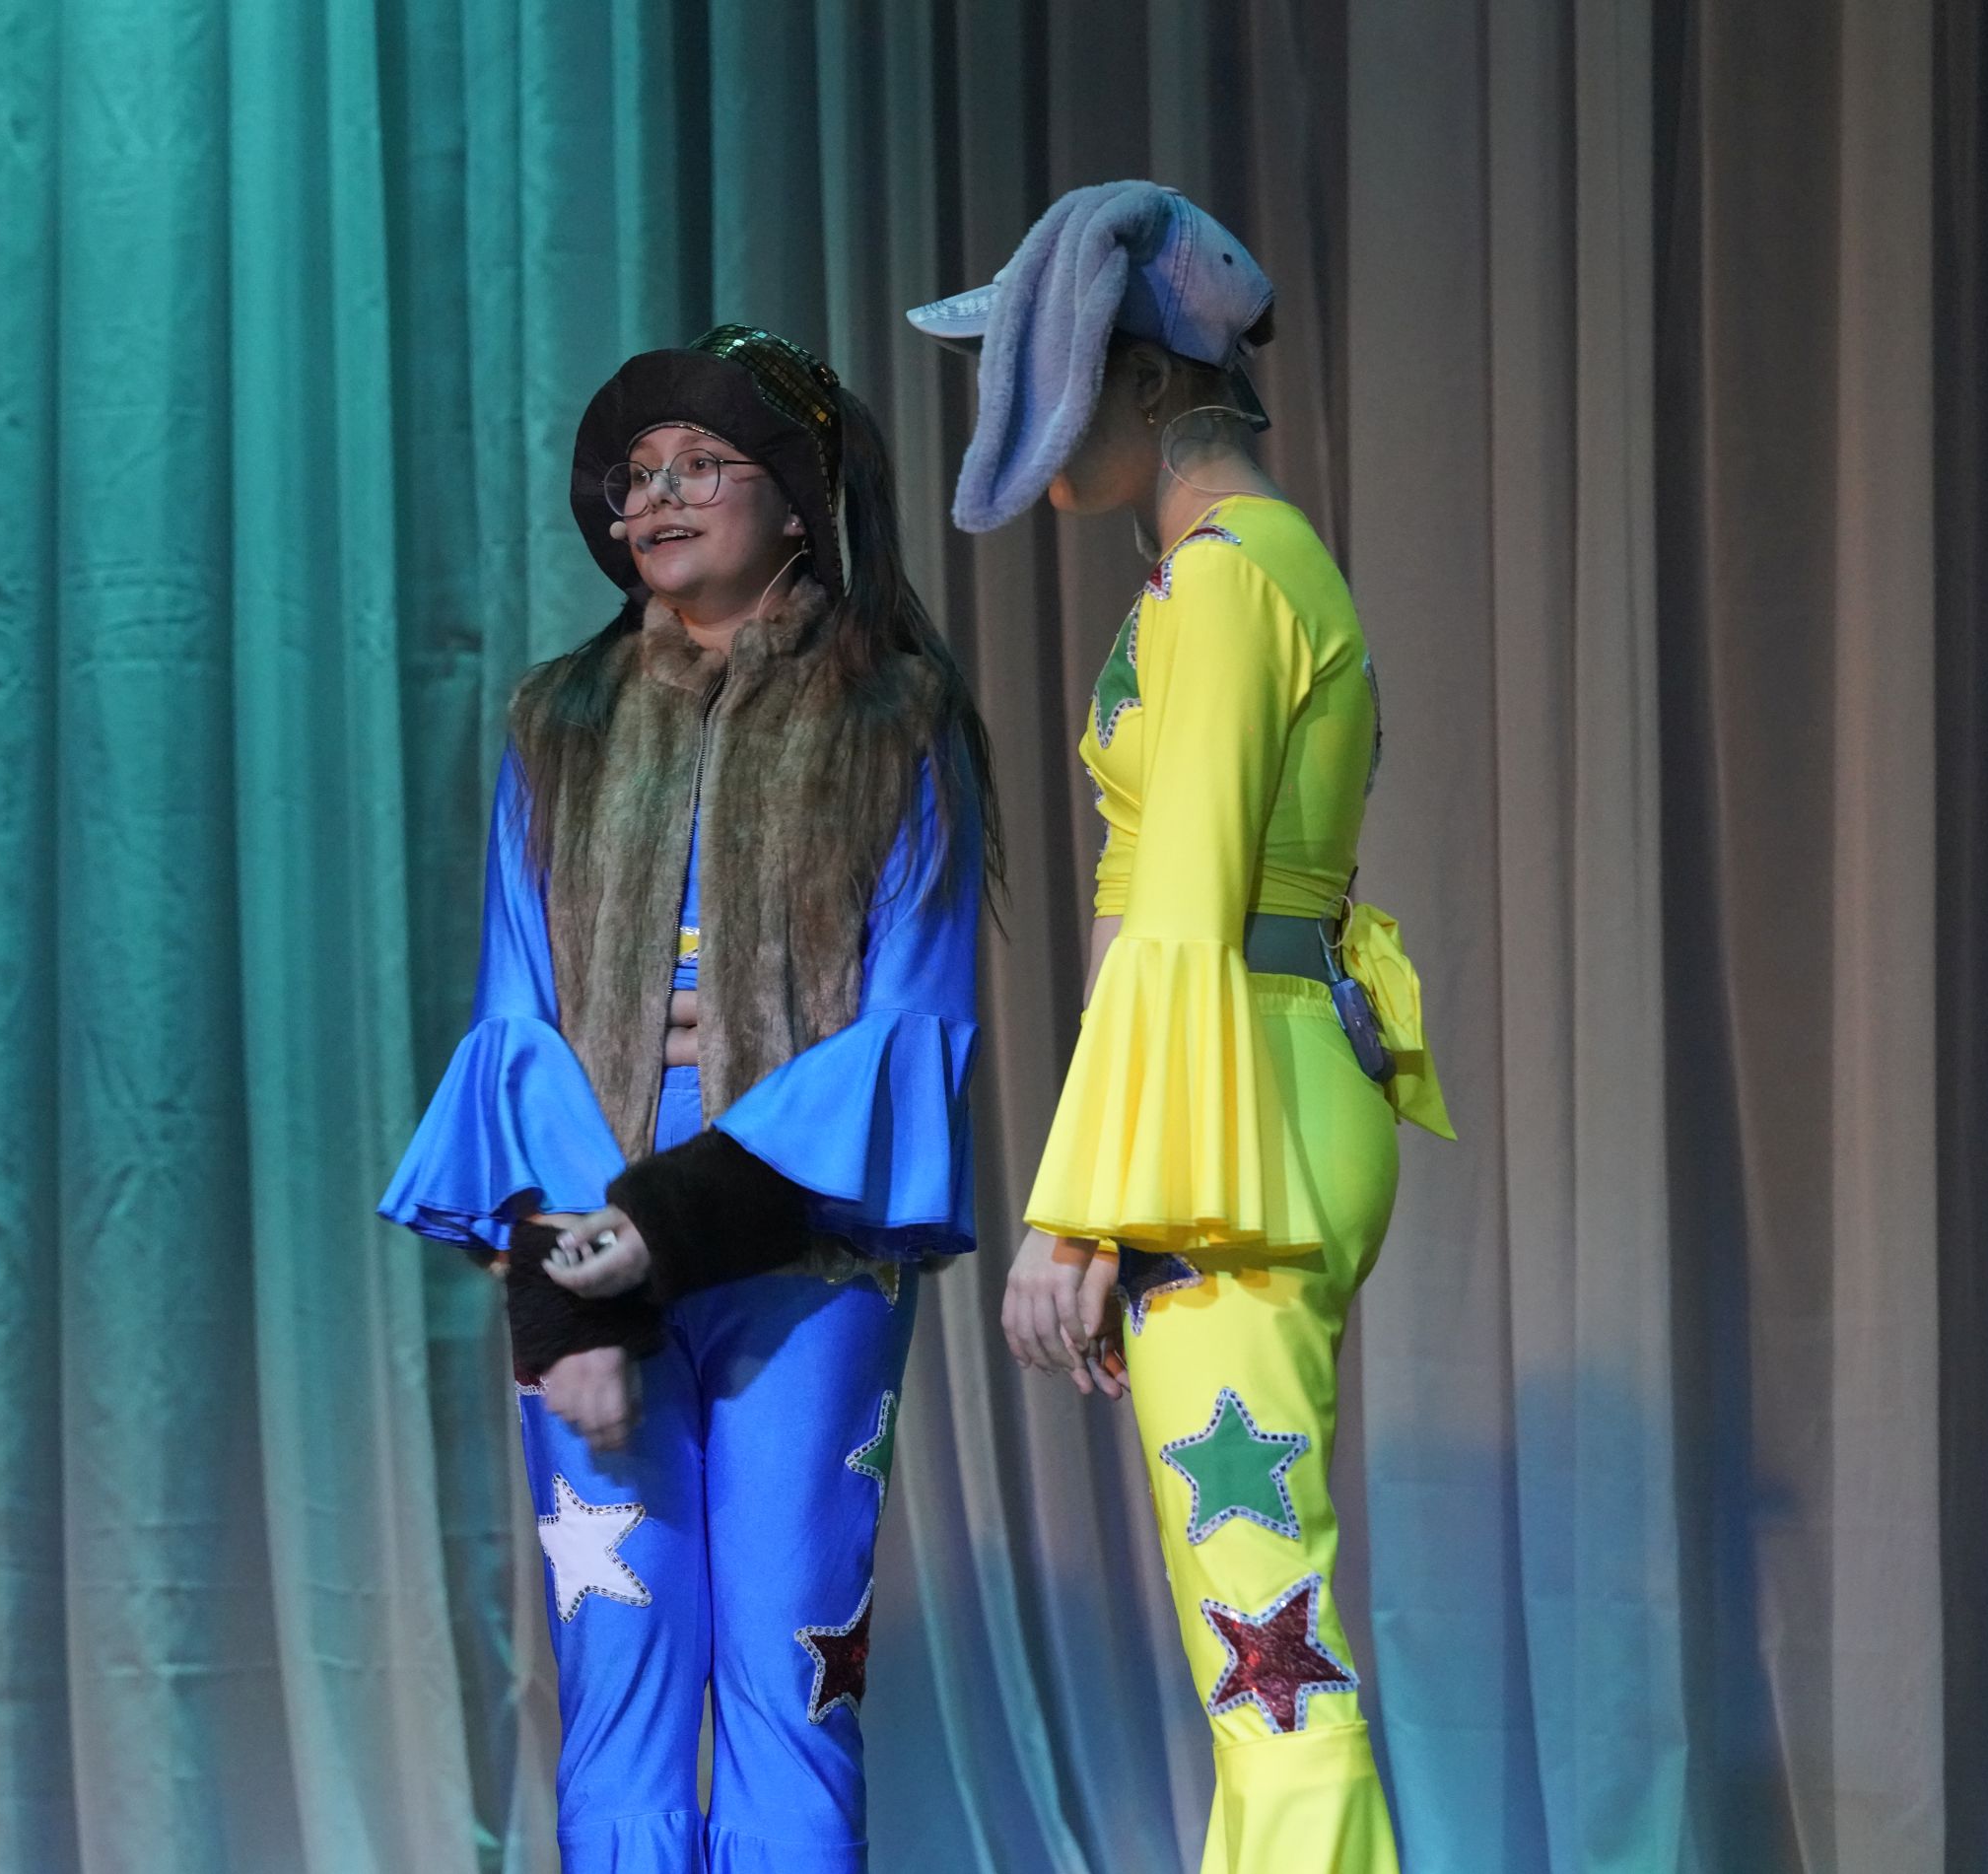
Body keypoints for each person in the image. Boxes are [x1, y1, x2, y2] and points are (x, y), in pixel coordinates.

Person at [380, 324, 998, 1873]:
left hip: (803, 1262)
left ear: (795, 498)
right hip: (592, 1255)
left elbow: (903, 1031)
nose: (653, 498)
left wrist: (667, 1218)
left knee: (793, 1682)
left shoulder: (896, 718)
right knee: (620, 1684)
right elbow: (517, 1023)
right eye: (634, 475)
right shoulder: (561, 720)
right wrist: (569, 1294)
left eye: (698, 467)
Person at [910, 182, 1454, 1873]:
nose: (1020, 407)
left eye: (1051, 364)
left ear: (1145, 380)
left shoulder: (1230, 584)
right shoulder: (1223, 576)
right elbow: (1157, 901)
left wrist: (1082, 1208)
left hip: (1238, 1116)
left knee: (1266, 1648)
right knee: (1252, 1642)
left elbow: (1185, 904)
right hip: (1247, 1093)